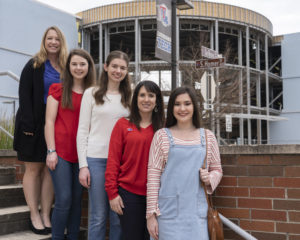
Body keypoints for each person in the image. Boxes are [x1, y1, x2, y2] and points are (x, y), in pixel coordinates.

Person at [146, 86, 223, 240]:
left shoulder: (208, 137)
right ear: (171, 108)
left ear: (194, 106)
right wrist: (151, 216)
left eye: (187, 103)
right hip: (168, 216)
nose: (182, 109)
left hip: (198, 216)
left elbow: (217, 170)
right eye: (177, 104)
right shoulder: (161, 136)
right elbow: (153, 178)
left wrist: (209, 178)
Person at [13, 26, 68, 235]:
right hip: (33, 123)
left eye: (57, 39)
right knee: (34, 169)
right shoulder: (34, 64)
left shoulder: (65, 67)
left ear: (62, 42)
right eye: (49, 38)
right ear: (44, 41)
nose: (53, 42)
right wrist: (28, 126)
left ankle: (46, 214)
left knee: (49, 170)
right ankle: (34, 215)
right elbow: (24, 95)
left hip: (55, 124)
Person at [77, 50, 132, 240]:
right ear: (106, 67)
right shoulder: (91, 93)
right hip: (96, 160)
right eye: (115, 66)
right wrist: (83, 165)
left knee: (118, 216)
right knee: (98, 216)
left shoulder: (130, 97)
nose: (118, 71)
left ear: (127, 71)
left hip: (122, 163)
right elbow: (82, 131)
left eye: (123, 68)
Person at [44, 49, 96, 240]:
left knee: (76, 201)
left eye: (82, 64)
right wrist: (51, 151)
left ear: (89, 67)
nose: (78, 68)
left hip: (83, 154)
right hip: (61, 153)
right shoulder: (58, 89)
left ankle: (73, 237)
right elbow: (49, 121)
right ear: (68, 67)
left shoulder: (94, 93)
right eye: (74, 64)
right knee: (64, 199)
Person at [105, 80, 165, 240]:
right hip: (129, 195)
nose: (146, 99)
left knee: (154, 237)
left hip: (158, 194)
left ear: (157, 100)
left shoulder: (164, 128)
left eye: (151, 95)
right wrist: (112, 193)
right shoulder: (122, 125)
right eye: (142, 95)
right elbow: (113, 160)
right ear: (136, 99)